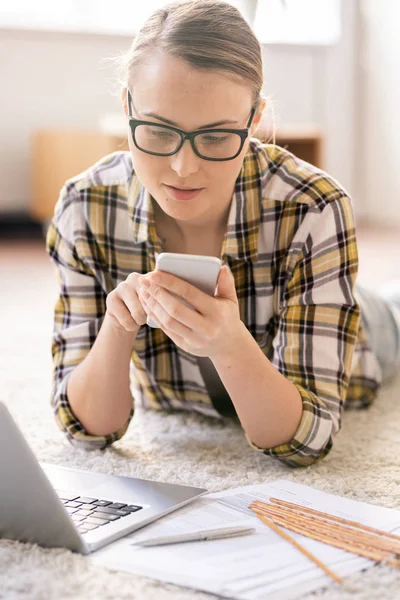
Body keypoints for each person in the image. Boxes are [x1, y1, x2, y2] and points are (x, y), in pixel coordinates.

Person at [46, 0, 400, 468]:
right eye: (156, 131)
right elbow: (88, 430)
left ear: (254, 121)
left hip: (368, 332)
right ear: (128, 106)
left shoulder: (314, 205)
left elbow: (306, 441)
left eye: (215, 137)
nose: (183, 167)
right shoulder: (85, 206)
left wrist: (229, 342)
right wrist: (116, 327)